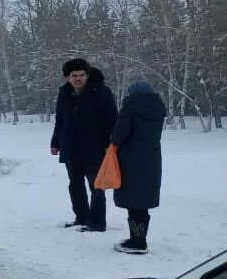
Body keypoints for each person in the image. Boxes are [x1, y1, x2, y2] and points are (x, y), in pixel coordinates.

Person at [50, 58, 117, 232]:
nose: (78, 78)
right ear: (67, 77)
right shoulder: (64, 93)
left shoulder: (102, 92)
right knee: (75, 184)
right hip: (70, 147)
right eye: (74, 76)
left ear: (87, 75)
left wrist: (110, 144)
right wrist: (55, 142)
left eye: (81, 75)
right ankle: (81, 217)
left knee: (96, 186)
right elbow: (60, 120)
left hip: (95, 148)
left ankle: (97, 222)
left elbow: (112, 120)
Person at [109, 81, 166, 254]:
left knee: (133, 201)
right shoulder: (158, 109)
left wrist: (113, 138)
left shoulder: (130, 108)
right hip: (151, 160)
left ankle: (137, 242)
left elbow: (119, 135)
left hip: (130, 160)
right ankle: (139, 238)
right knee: (142, 201)